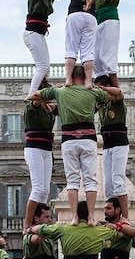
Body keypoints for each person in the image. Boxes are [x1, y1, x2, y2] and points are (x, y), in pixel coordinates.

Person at [27, 66, 123, 224]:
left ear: (69, 76)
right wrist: (100, 87)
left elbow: (33, 95)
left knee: (72, 181)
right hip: (88, 139)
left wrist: (53, 94)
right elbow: (117, 94)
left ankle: (74, 217)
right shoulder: (92, 92)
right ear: (85, 76)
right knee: (90, 180)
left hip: (69, 140)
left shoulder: (60, 92)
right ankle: (91, 217)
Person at [23, 0, 68, 96]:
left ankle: (42, 89)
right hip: (32, 33)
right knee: (42, 66)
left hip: (39, 34)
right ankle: (32, 94)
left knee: (46, 68)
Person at [23, 84, 57, 230]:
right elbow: (35, 99)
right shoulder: (33, 106)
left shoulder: (48, 109)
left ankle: (41, 220)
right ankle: (28, 223)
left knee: (45, 190)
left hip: (47, 149)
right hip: (34, 148)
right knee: (37, 188)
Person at [95, 75, 129, 218]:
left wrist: (103, 89)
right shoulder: (100, 105)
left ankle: (125, 216)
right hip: (107, 145)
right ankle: (112, 213)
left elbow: (119, 93)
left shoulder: (116, 102)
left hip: (119, 143)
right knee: (108, 183)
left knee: (118, 178)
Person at [90, 0, 126, 88]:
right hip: (96, 20)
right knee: (95, 58)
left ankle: (116, 90)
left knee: (108, 55)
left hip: (109, 17)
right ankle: (102, 85)